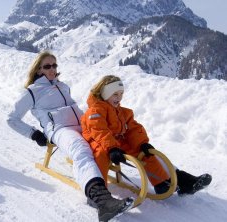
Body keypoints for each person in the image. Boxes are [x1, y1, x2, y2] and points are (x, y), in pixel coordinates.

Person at [7, 52, 133, 221]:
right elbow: (11, 118)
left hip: (82, 124)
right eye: (47, 66)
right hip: (60, 129)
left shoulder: (63, 85)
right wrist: (34, 134)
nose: (52, 69)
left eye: (54, 65)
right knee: (81, 149)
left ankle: (164, 175)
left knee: (107, 139)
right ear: (38, 70)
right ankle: (102, 201)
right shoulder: (32, 92)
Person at [81, 75, 212, 196]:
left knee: (147, 153)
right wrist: (111, 148)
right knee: (100, 157)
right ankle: (99, 194)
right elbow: (99, 130)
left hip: (117, 142)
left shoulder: (122, 112)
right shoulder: (95, 110)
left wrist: (142, 143)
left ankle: (168, 183)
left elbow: (133, 128)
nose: (119, 97)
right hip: (98, 142)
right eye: (115, 94)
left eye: (121, 94)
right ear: (104, 94)